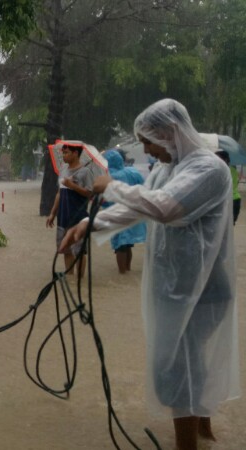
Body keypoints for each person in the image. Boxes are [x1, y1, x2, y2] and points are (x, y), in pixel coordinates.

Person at [60, 99, 239, 450]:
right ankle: (203, 433)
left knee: (175, 368)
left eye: (149, 141)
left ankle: (186, 444)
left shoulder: (208, 169)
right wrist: (88, 224)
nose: (145, 149)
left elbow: (167, 208)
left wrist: (109, 186)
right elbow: (138, 208)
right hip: (175, 287)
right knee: (189, 363)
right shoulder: (165, 169)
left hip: (204, 288)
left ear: (171, 133)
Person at [46, 143, 94, 278]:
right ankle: (70, 278)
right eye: (63, 153)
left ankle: (79, 280)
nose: (64, 156)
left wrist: (73, 186)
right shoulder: (63, 170)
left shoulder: (86, 172)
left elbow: (90, 193)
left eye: (66, 153)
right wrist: (52, 213)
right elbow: (59, 193)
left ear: (75, 153)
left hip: (79, 217)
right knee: (65, 250)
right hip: (63, 216)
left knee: (79, 251)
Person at [102, 150, 147, 273]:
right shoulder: (133, 172)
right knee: (128, 243)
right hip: (133, 212)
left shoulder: (108, 176)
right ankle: (128, 269)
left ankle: (122, 272)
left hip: (116, 213)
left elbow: (105, 199)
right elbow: (143, 189)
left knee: (120, 245)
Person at [214, 150, 240, 224]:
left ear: (224, 159)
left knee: (220, 227)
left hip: (227, 200)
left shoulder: (221, 170)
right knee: (229, 227)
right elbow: (236, 182)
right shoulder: (234, 170)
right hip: (236, 199)